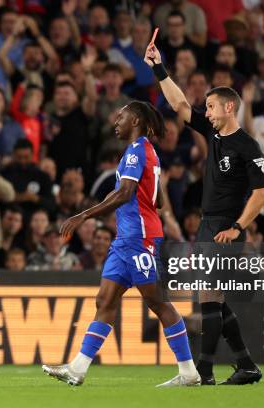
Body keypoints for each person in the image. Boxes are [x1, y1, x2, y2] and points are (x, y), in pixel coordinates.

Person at [42, 101, 200, 387]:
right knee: (105, 300)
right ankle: (77, 369)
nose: (115, 122)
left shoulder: (137, 149)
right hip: (125, 239)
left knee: (157, 301)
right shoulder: (144, 152)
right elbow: (159, 200)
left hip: (138, 238)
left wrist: (83, 214)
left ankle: (189, 371)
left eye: (121, 117)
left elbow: (125, 193)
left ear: (136, 120)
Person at [146, 43, 264, 385]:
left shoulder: (248, 147)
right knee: (214, 301)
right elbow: (180, 105)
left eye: (212, 106)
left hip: (224, 228)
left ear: (230, 107)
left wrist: (238, 227)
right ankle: (245, 366)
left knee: (209, 298)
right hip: (208, 224)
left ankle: (203, 372)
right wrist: (159, 68)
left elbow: (262, 195)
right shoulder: (213, 135)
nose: (207, 111)